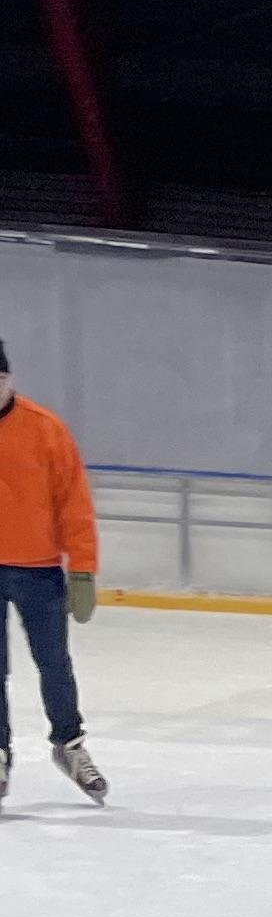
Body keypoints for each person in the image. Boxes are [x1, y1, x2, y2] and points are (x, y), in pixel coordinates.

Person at [0, 334, 108, 810]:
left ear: (8, 379)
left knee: (54, 664)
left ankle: (69, 744)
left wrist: (82, 569)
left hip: (38, 569)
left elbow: (74, 504)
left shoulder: (45, 429)